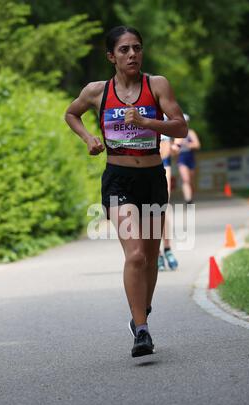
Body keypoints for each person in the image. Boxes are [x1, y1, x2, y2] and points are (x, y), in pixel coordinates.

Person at [65, 26, 187, 358]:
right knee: (134, 254)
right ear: (111, 57)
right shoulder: (96, 91)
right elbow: (71, 114)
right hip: (118, 178)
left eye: (137, 48)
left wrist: (150, 124)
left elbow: (181, 126)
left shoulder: (157, 85)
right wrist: (90, 138)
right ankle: (142, 332)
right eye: (124, 50)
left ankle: (141, 312)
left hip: (151, 178)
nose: (132, 54)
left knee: (149, 258)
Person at [158, 121, 179, 271]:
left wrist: (176, 144)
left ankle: (167, 248)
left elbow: (180, 126)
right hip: (139, 166)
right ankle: (156, 254)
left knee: (162, 208)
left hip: (163, 164)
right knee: (144, 211)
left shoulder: (163, 106)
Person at [172, 114, 201, 204]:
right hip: (181, 158)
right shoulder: (176, 134)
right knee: (185, 179)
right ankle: (188, 200)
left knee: (191, 181)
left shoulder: (191, 133)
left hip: (190, 157)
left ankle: (190, 196)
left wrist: (187, 145)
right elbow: (174, 150)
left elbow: (197, 145)